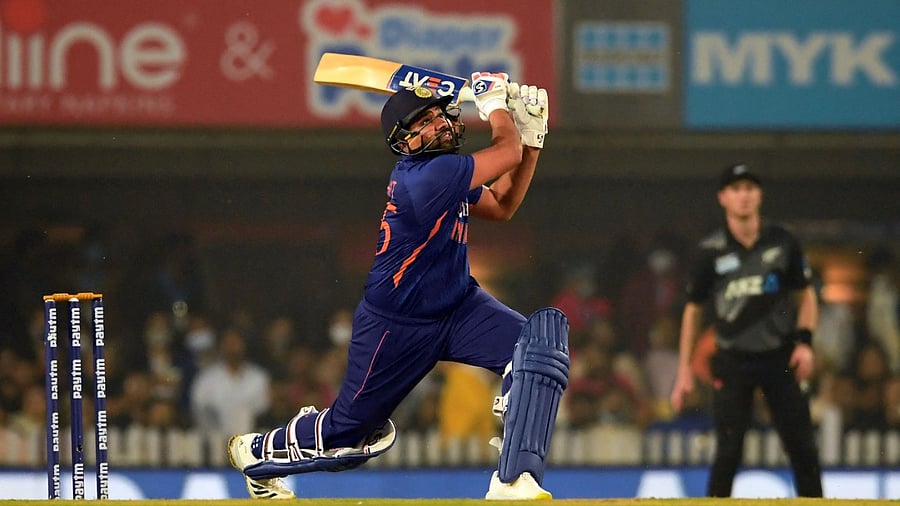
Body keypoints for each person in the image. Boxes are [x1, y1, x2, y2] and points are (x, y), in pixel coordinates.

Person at [227, 74, 569, 500]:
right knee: (349, 437)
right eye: (420, 124)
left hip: (459, 307)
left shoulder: (449, 173)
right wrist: (498, 108)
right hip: (396, 325)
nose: (435, 125)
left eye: (435, 115)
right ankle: (256, 454)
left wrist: (531, 140)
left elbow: (501, 205)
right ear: (403, 143)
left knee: (537, 346)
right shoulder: (427, 176)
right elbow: (506, 151)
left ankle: (515, 480)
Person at [669, 164, 823, 497]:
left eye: (750, 188)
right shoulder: (709, 251)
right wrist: (683, 372)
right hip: (732, 359)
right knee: (727, 452)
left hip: (780, 357)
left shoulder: (783, 242)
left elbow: (807, 295)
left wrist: (805, 343)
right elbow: (692, 313)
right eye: (736, 189)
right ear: (723, 197)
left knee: (803, 448)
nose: (743, 196)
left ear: (760, 195)